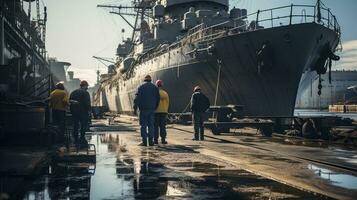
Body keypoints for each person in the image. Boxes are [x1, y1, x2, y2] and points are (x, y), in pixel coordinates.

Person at [134, 75, 160, 146]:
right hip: (152, 109)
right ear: (150, 80)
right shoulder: (155, 87)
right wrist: (155, 107)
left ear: (144, 80)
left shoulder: (140, 87)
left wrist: (135, 108)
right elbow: (158, 99)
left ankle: (144, 141)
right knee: (151, 125)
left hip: (143, 109)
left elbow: (136, 99)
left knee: (143, 125)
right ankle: (151, 142)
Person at [69, 80, 91, 147]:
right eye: (87, 86)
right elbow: (87, 103)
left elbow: (70, 101)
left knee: (75, 124)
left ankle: (75, 139)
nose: (87, 87)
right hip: (83, 112)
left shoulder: (73, 92)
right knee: (83, 125)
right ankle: (82, 138)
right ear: (84, 86)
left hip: (74, 111)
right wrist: (89, 111)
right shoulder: (86, 93)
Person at [154, 80, 169, 144]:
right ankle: (163, 140)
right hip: (163, 112)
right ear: (162, 85)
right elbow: (168, 102)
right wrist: (166, 110)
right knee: (163, 126)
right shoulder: (165, 93)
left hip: (156, 112)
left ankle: (156, 140)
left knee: (155, 127)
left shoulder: (154, 93)